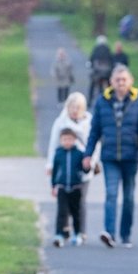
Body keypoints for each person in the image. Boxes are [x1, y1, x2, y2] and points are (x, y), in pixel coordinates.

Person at [82, 65, 138, 248]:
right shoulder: (102, 101)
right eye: (117, 79)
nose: (121, 83)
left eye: (124, 79)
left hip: (131, 156)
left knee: (128, 197)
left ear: (131, 81)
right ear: (111, 81)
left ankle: (126, 234)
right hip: (110, 156)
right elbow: (94, 130)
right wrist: (88, 154)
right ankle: (109, 233)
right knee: (111, 194)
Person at [46, 92, 96, 241]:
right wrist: (50, 164)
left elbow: (95, 143)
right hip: (64, 169)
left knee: (79, 201)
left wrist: (92, 162)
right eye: (72, 107)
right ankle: (64, 229)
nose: (75, 110)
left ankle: (80, 231)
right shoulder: (60, 122)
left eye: (78, 107)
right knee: (63, 201)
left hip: (82, 167)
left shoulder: (89, 122)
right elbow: (53, 143)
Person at [51, 127, 90, 247]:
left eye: (69, 139)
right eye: (64, 139)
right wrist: (53, 185)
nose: (67, 142)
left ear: (74, 140)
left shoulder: (79, 154)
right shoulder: (58, 153)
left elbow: (85, 170)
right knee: (62, 212)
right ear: (61, 140)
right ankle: (59, 234)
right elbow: (55, 170)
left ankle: (78, 233)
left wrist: (88, 166)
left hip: (76, 187)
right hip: (62, 187)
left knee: (76, 212)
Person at [87, 35, 113, 103]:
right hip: (106, 73)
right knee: (109, 85)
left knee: (92, 85)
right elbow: (111, 60)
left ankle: (90, 100)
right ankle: (111, 99)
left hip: (97, 72)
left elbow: (92, 59)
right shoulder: (107, 49)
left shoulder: (96, 49)